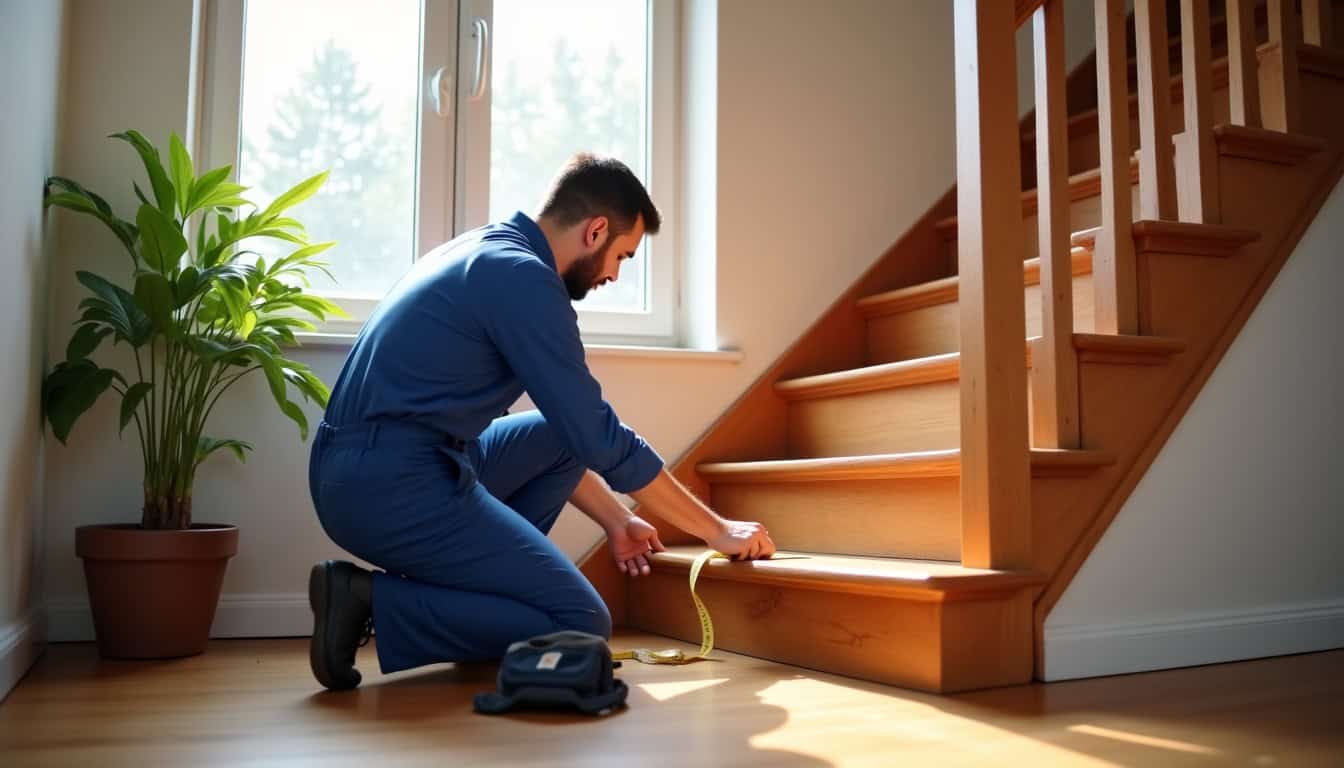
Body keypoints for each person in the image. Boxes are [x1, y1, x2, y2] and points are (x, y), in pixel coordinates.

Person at [306, 154, 777, 691]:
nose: (614, 275)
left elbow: (573, 432)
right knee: (581, 622)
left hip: (379, 464)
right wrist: (717, 530)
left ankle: (484, 607)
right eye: (620, 255)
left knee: (556, 434)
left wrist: (618, 522)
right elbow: (601, 437)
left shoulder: (484, 249)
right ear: (595, 230)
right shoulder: (523, 279)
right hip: (388, 482)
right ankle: (368, 601)